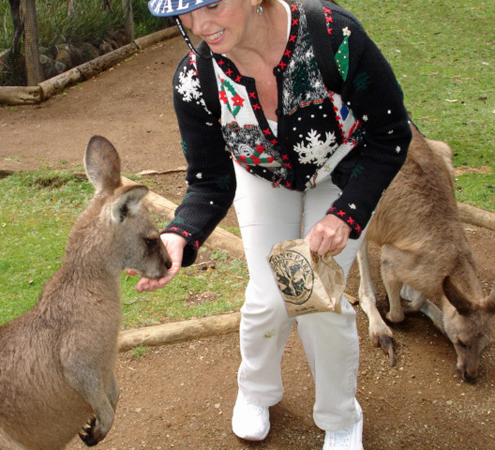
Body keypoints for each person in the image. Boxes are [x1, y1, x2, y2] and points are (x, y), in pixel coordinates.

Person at [138, 0, 412, 448]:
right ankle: (256, 390)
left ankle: (340, 416)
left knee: (316, 299)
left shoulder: (333, 38)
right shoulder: (195, 79)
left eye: (213, 4)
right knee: (269, 298)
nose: (200, 23)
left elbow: (390, 134)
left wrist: (348, 213)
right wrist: (178, 235)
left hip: (338, 173)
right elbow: (209, 181)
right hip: (262, 173)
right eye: (185, 11)